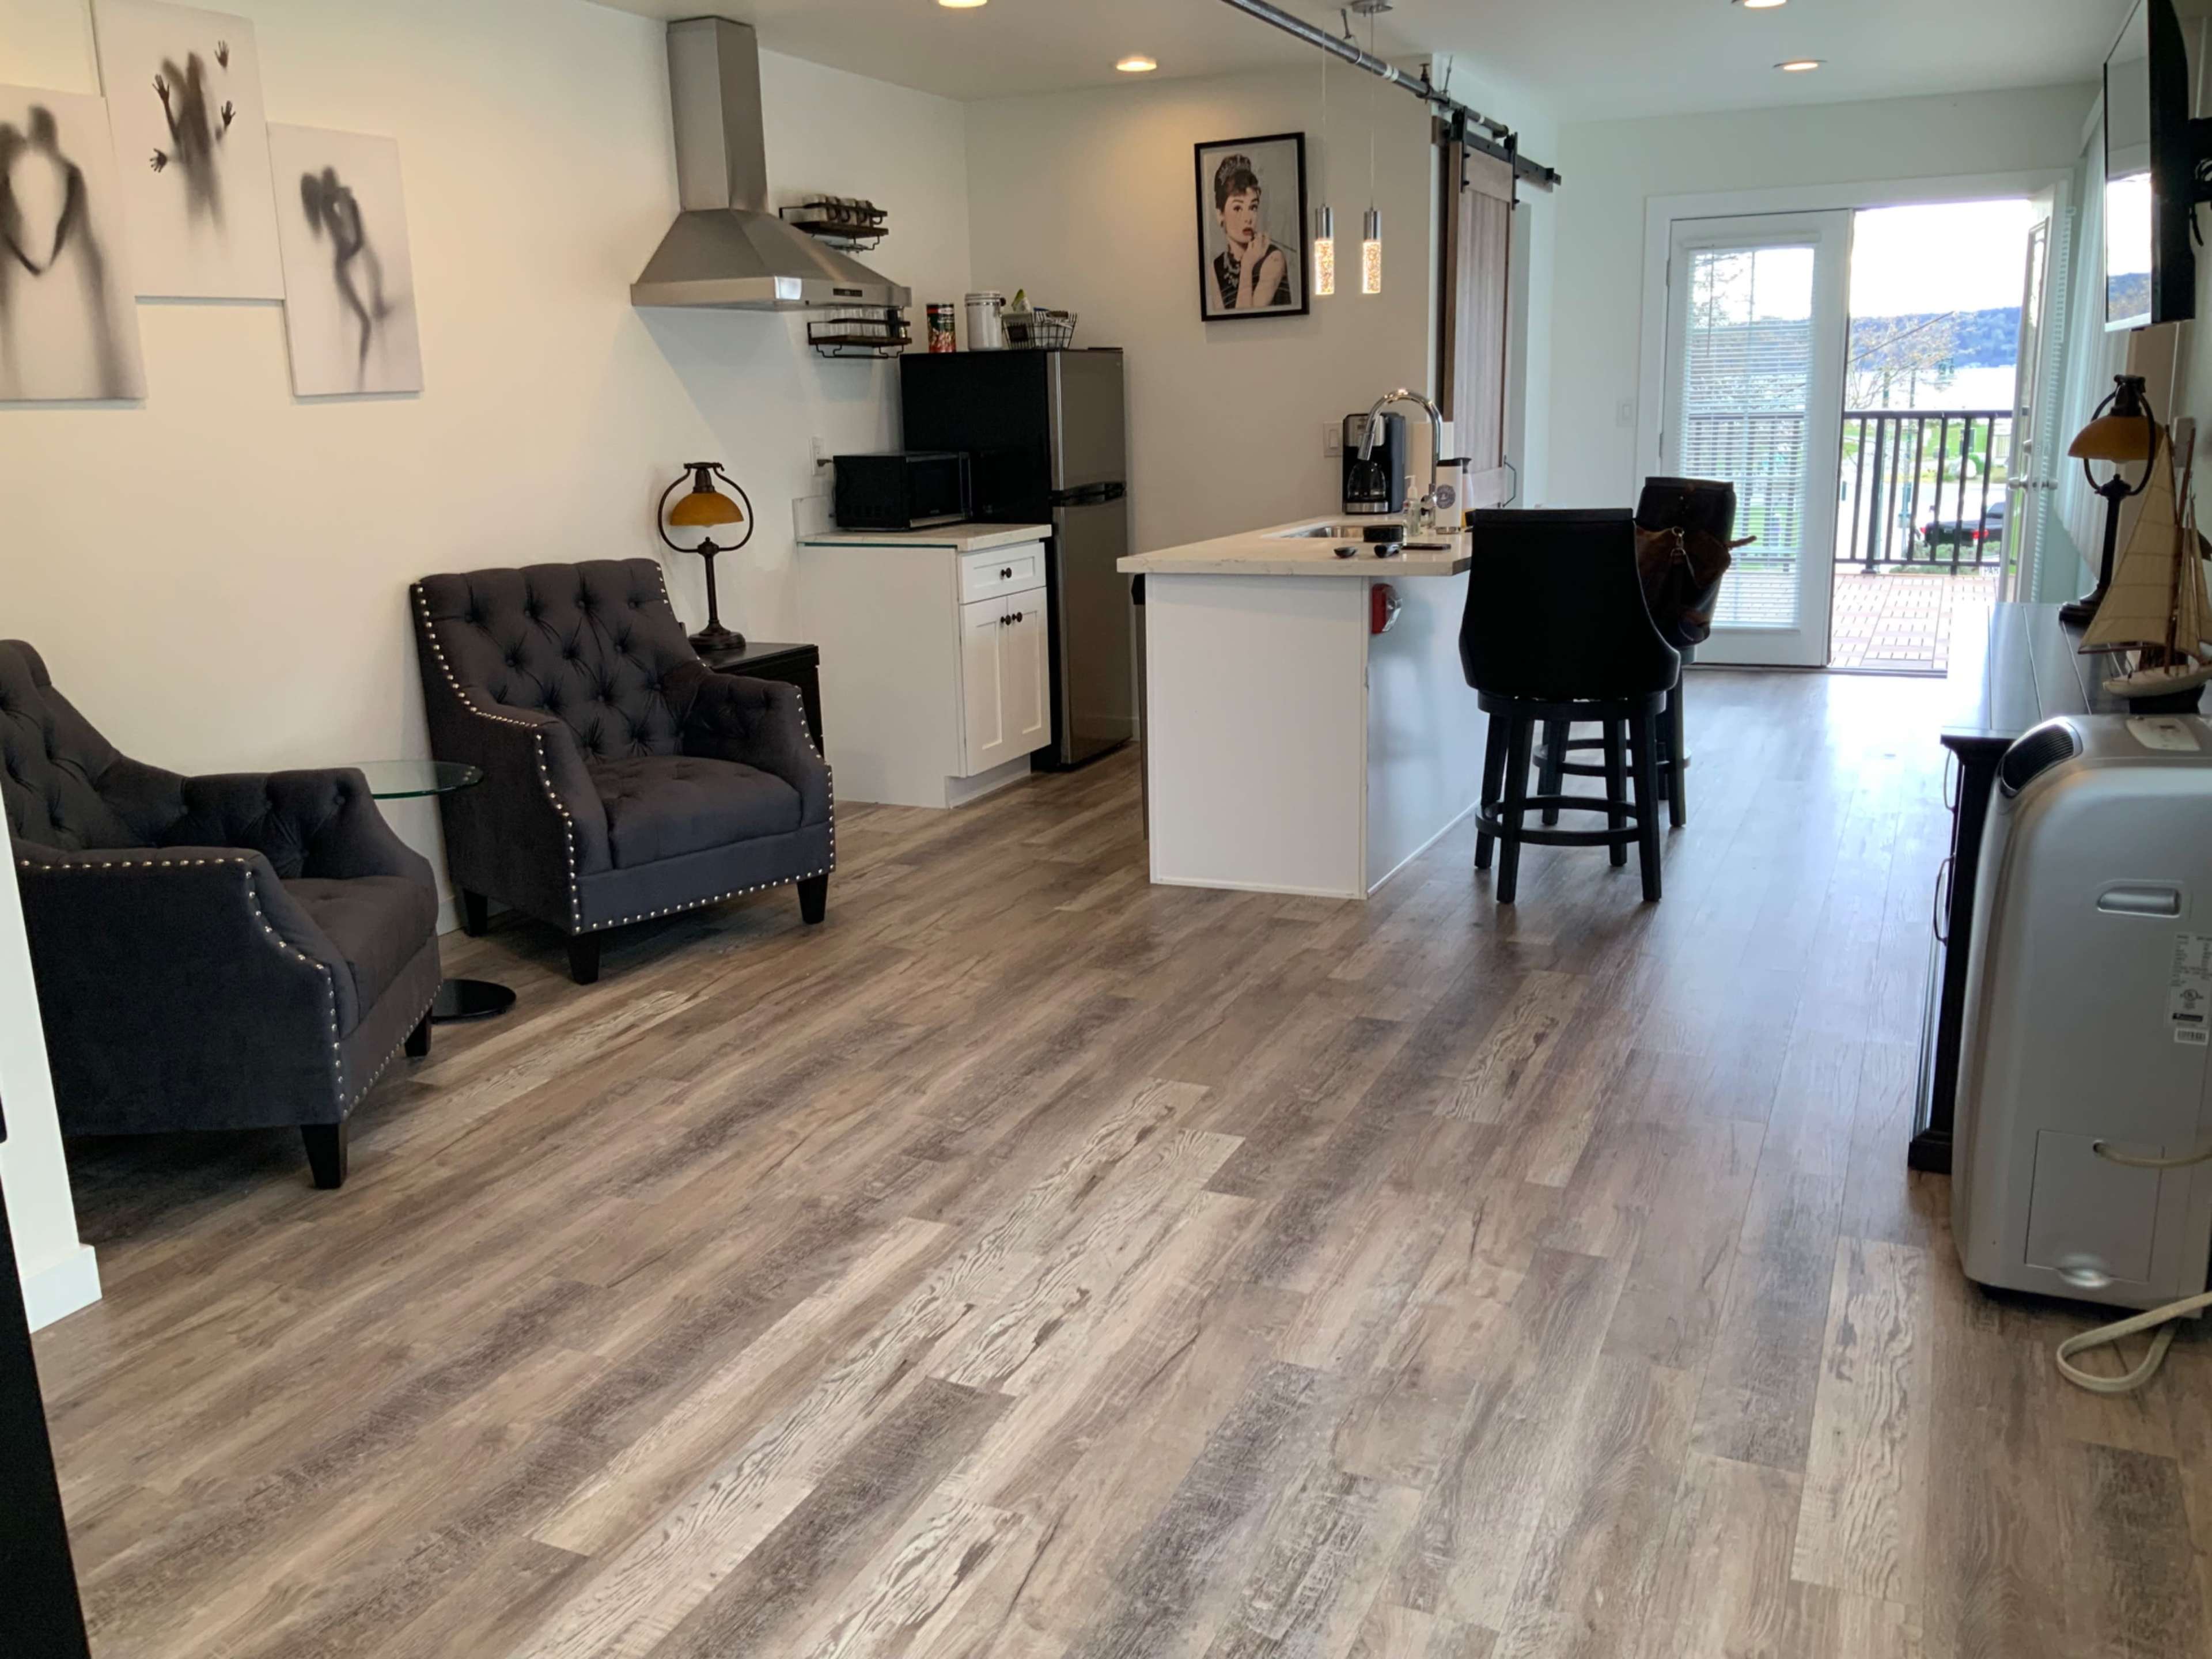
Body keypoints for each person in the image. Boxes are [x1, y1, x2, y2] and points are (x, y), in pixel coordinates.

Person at [1210, 154, 1293, 312]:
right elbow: (1228, 327)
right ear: (1220, 214)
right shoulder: (1216, 267)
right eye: (1237, 208)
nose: (1248, 218)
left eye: (1253, 207)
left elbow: (1245, 321)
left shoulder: (1274, 259)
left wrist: (1247, 265)